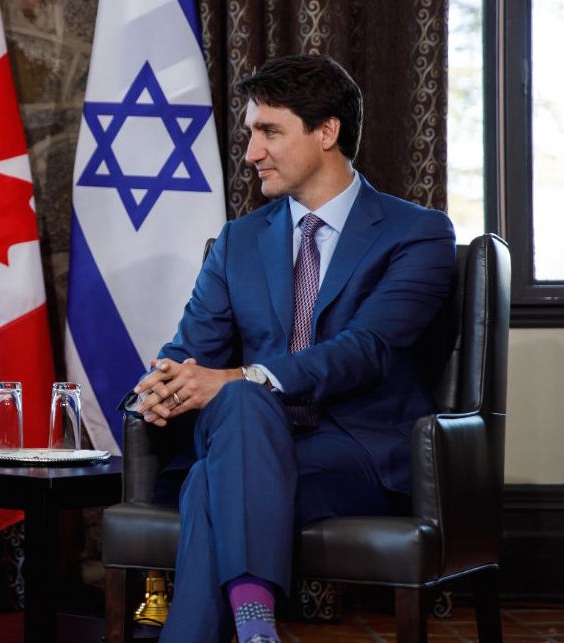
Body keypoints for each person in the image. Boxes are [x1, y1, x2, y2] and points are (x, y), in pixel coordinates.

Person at [130, 55, 456, 643]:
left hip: (349, 451)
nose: (251, 152)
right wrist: (160, 387)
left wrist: (241, 380)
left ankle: (244, 627)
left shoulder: (418, 234)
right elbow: (189, 351)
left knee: (213, 479)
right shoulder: (238, 240)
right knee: (243, 409)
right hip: (239, 434)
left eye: (269, 132)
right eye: (251, 134)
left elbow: (368, 349)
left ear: (326, 132)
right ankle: (257, 630)